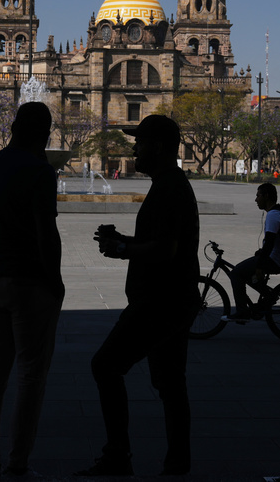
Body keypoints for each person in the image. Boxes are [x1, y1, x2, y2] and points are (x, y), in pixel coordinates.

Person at [77, 115, 199, 477]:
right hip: (176, 298)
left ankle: (118, 455)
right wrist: (125, 241)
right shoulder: (170, 183)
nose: (134, 148)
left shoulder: (170, 187)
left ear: (158, 146)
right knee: (171, 384)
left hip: (161, 300)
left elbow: (166, 249)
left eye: (140, 142)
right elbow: (161, 242)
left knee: (105, 365)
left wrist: (122, 251)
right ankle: (178, 462)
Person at [0, 102, 64, 478]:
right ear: (43, 134)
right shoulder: (40, 171)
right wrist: (55, 280)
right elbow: (46, 232)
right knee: (31, 373)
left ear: (13, 128)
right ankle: (18, 462)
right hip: (28, 282)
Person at [225, 182, 280, 321]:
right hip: (277, 258)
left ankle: (242, 312)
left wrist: (260, 265)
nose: (256, 199)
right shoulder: (276, 213)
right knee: (246, 272)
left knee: (236, 273)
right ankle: (269, 296)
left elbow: (270, 243)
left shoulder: (273, 215)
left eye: (258, 195)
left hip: (274, 260)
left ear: (266, 196)